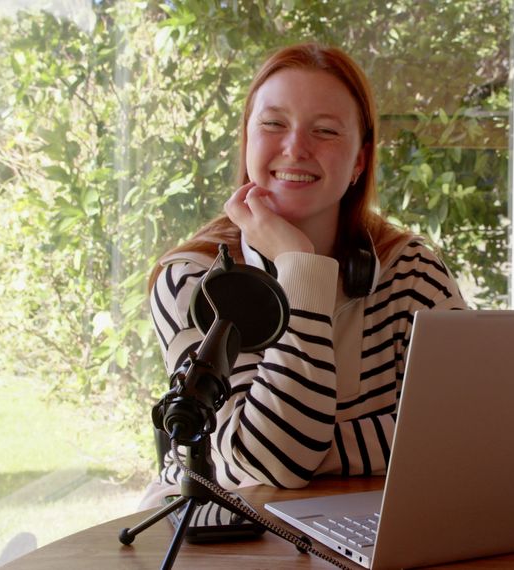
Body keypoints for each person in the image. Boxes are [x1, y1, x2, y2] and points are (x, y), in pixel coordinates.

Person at [139, 43, 466, 508]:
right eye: (273, 124)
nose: (295, 148)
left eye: (326, 131)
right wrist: (300, 266)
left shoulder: (411, 270)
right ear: (247, 141)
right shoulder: (193, 280)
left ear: (358, 162)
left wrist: (317, 450)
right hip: (219, 529)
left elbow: (469, 426)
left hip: (370, 524)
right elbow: (269, 461)